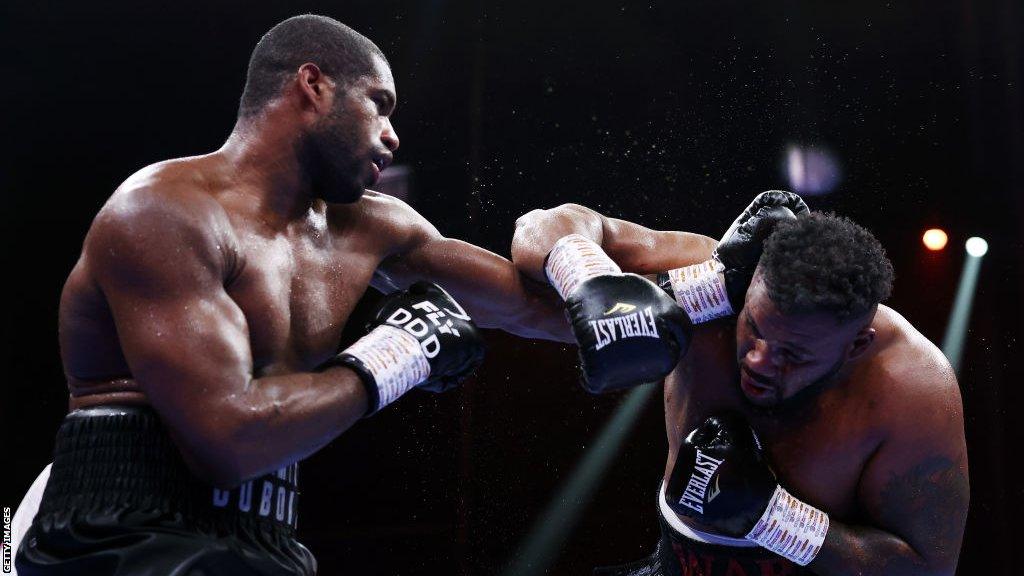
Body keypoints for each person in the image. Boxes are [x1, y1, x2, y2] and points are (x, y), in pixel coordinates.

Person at [15, 14, 569, 576]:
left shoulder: (371, 228)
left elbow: (535, 308)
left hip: (266, 539)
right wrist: (396, 354)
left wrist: (617, 280)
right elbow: (229, 442)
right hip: (120, 535)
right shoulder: (165, 212)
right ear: (313, 85)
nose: (392, 135)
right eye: (379, 103)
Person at [511, 196, 969, 575]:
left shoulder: (910, 391)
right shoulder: (711, 283)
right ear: (748, 292)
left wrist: (777, 520)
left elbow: (928, 569)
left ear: (856, 346)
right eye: (752, 326)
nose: (758, 360)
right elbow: (540, 227)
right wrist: (591, 279)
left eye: (794, 355)